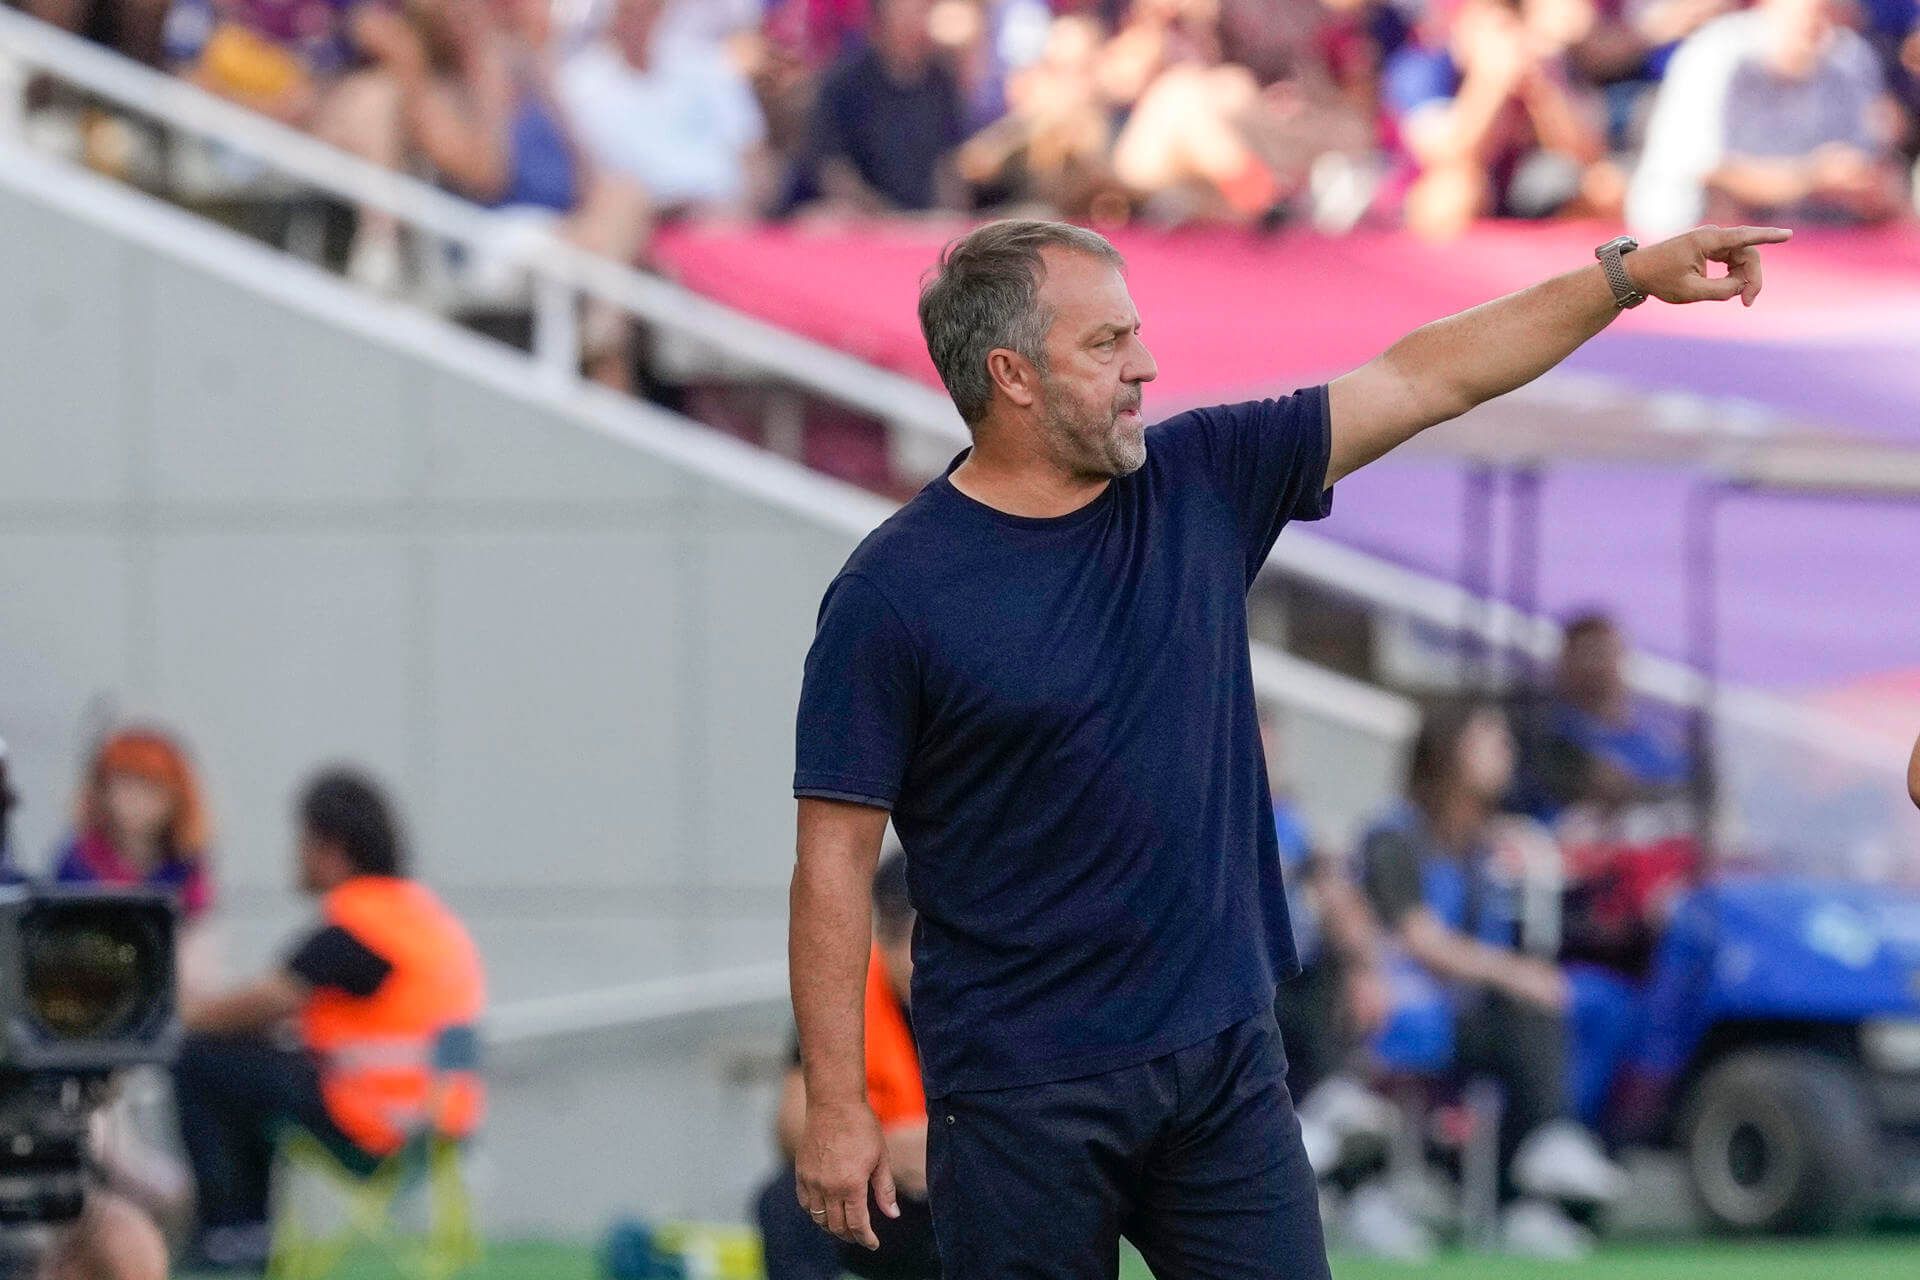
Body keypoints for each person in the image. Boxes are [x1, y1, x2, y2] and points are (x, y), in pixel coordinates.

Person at [788, 210, 1787, 1278]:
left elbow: (1423, 378)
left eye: (1136, 333)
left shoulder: (1201, 478)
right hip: (1022, 1091)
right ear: (1011, 375)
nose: (1146, 364)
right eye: (1106, 344)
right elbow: (833, 864)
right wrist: (838, 1103)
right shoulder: (891, 594)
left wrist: (1624, 277)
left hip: (1223, 1061)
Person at [172, 769, 485, 1271]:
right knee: (254, 1071)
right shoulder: (425, 917)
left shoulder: (359, 924)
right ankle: (244, 1231)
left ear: (330, 847)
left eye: (301, 841)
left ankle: (231, 1232)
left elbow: (266, 998)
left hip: (377, 1127)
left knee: (199, 1057)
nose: (294, 855)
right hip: (445, 1128)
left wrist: (184, 1014)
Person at [1357, 703, 1623, 1257]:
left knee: (1585, 1003)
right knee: (1527, 1001)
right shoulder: (1394, 837)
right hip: (1398, 1012)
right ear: (1450, 752)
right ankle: (1535, 1153)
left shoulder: (1488, 847)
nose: (1507, 752)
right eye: (1491, 739)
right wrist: (1512, 973)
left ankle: (1538, 1178)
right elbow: (1420, 941)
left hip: (1468, 1013)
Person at [757, 849, 940, 1280]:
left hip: (975, 1190)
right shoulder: (845, 998)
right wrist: (884, 1149)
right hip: (885, 1194)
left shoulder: (1001, 999)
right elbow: (791, 1126)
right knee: (787, 1199)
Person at [1627, 0, 1910, 235]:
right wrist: (1809, 178)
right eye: (1810, 12)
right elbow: (1705, 170)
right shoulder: (1717, 53)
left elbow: (1871, 168)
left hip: (1815, 241)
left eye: (1830, 12)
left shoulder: (1850, 56)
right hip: (1696, 234)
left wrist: (1864, 183)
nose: (1820, 26)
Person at [559, 0, 772, 216]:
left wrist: (747, 211)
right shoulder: (578, 85)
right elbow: (590, 181)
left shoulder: (707, 65)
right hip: (645, 224)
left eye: (648, 6)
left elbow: (752, 154)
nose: (638, 15)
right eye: (629, 9)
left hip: (731, 218)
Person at [785, 0, 970, 213]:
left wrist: (949, 215)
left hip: (925, 221)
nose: (915, 23)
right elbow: (831, 168)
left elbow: (950, 162)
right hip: (861, 219)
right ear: (880, 21)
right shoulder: (844, 84)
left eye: (921, 11)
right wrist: (881, 216)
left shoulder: (942, 83)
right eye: (904, 14)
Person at [54, 728, 215, 921]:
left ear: (176, 798)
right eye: (125, 785)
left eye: (150, 788)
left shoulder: (185, 864)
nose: (136, 800)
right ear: (102, 792)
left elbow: (200, 928)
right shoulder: (78, 861)